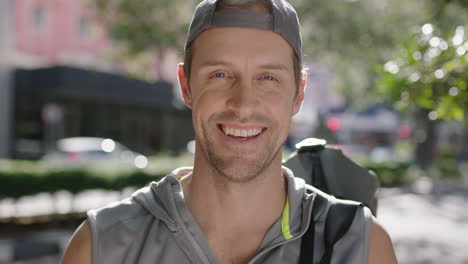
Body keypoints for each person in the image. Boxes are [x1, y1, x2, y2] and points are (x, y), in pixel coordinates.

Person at [62, 0, 398, 263]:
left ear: (298, 93)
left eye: (269, 78)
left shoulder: (359, 247)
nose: (242, 104)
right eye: (220, 75)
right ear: (186, 86)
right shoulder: (101, 247)